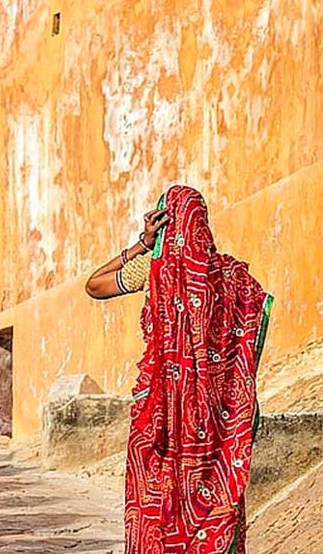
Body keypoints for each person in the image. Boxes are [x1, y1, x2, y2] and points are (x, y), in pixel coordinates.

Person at [86, 184, 273, 554]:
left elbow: (94, 286)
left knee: (155, 493)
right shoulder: (233, 279)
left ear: (165, 223)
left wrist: (141, 244)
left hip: (161, 411)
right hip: (216, 420)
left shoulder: (152, 268)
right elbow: (248, 337)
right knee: (215, 490)